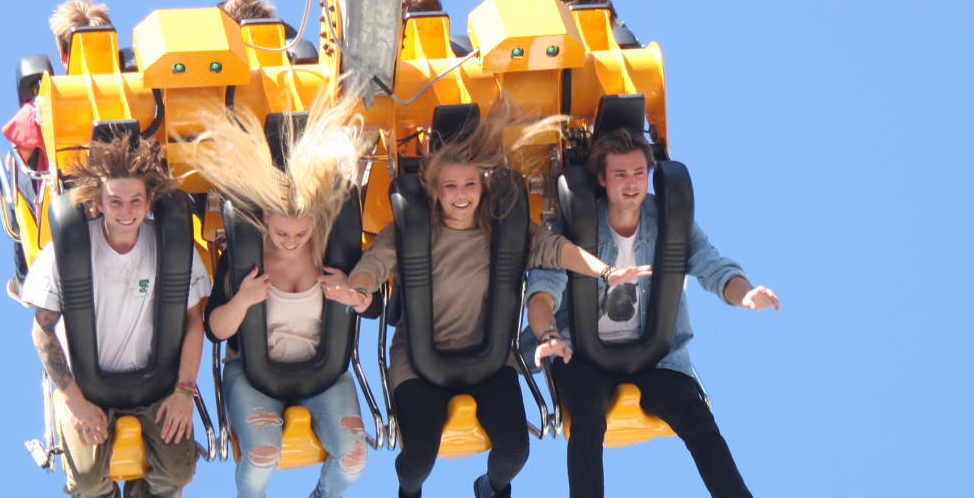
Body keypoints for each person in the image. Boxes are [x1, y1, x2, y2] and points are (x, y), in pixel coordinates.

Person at [323, 107, 650, 498]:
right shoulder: (410, 231)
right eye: (450, 187)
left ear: (482, 186)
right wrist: (358, 293)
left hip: (489, 360)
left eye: (469, 185)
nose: (461, 196)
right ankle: (409, 493)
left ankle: (489, 489)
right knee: (418, 459)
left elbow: (559, 250)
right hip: (419, 362)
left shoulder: (503, 227)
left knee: (515, 451)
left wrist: (607, 273)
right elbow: (373, 266)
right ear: (434, 190)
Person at [524, 128, 780, 498]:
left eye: (639, 174)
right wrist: (548, 336)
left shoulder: (669, 223)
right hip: (579, 353)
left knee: (697, 417)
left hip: (654, 357)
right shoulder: (575, 227)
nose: (632, 184)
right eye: (621, 175)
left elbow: (715, 268)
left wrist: (746, 294)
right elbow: (541, 292)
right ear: (602, 179)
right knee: (588, 416)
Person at [189, 96, 371, 498]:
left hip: (321, 374)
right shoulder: (246, 258)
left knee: (355, 455)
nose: (291, 243)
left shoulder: (328, 253)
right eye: (281, 233)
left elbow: (370, 308)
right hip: (254, 374)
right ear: (266, 218)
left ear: (315, 222)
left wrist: (354, 293)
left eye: (300, 234)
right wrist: (243, 299)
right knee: (264, 453)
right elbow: (215, 330)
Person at [21, 132, 210, 498]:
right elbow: (41, 331)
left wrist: (184, 392)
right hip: (89, 391)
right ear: (98, 202)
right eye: (116, 202)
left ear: (149, 201)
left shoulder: (171, 248)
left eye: (136, 201)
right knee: (89, 482)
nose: (127, 212)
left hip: (155, 388)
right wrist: (74, 402)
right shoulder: (67, 252)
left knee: (179, 472)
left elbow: (193, 322)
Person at [3, 0, 114, 299]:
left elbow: (22, 154)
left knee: (16, 168)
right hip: (128, 205)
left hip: (64, 216)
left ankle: (23, 273)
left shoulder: (45, 105)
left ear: (63, 55)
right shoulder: (138, 94)